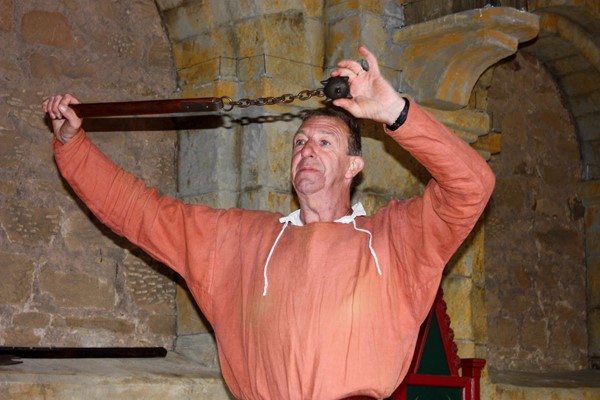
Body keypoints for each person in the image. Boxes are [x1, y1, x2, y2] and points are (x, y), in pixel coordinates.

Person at [43, 46, 494, 400]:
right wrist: (73, 145)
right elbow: (140, 213)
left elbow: (472, 187)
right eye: (299, 142)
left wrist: (395, 111)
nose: (307, 150)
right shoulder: (240, 240)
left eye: (324, 141)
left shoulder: (395, 240)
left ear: (354, 166)